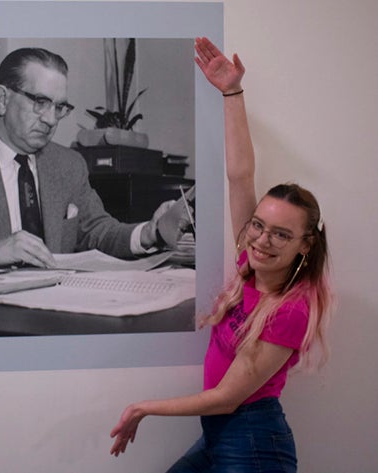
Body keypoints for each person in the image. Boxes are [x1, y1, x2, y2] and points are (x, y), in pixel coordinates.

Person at [109, 37, 333, 472]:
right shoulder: (249, 265)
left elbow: (228, 396)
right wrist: (232, 92)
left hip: (252, 443)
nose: (262, 240)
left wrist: (143, 408)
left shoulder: (290, 309)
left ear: (306, 244)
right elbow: (239, 176)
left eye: (281, 235)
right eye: (258, 225)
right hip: (223, 436)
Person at [0, 47, 191, 273]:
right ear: (2, 100)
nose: (51, 119)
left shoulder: (68, 164)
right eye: (40, 102)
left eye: (59, 107)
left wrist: (150, 232)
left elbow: (98, 231)